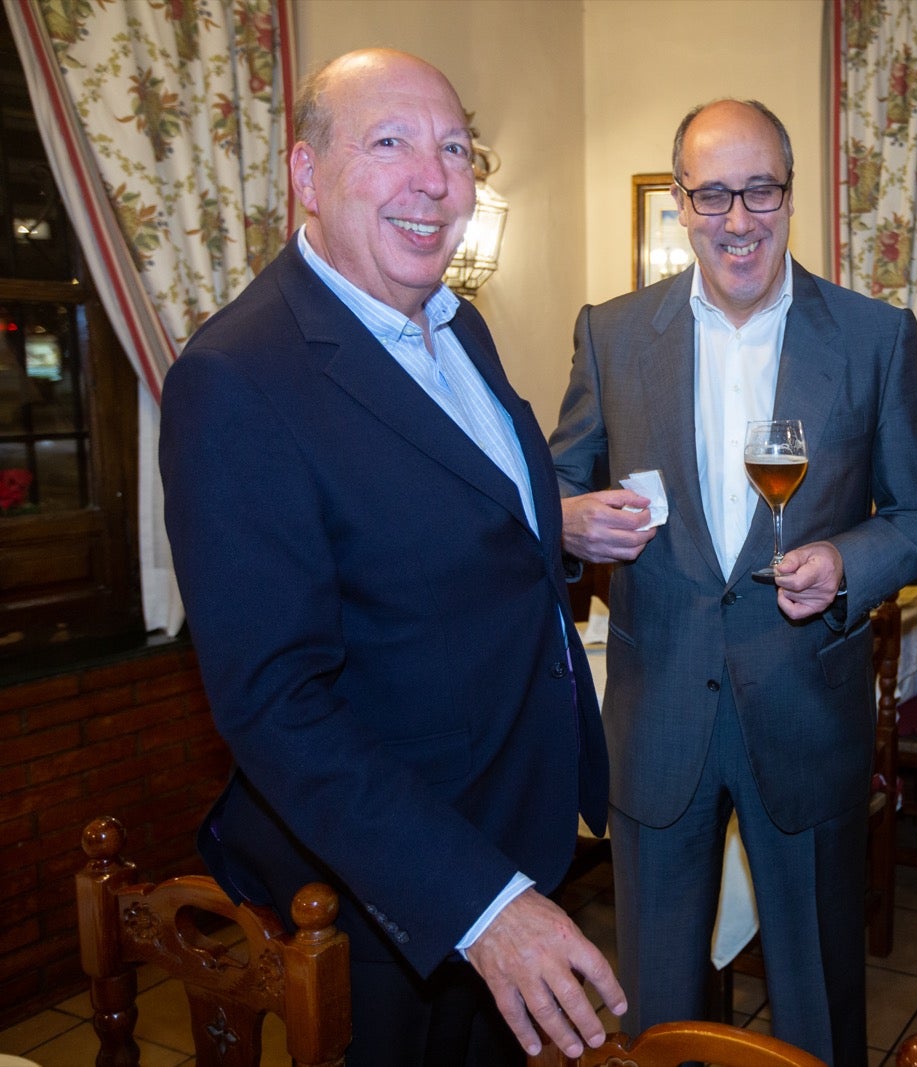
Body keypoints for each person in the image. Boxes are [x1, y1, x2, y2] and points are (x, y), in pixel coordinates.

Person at [159, 48, 625, 1067]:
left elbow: (467, 523)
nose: (434, 177)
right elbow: (275, 699)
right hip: (387, 896)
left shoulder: (462, 327)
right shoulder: (236, 379)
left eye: (455, 147)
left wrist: (566, 527)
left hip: (514, 820)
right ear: (304, 174)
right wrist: (482, 904)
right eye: (389, 143)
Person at [548, 98, 917, 1065]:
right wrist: (568, 519)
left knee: (818, 1004)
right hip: (657, 723)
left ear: (790, 193)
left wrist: (849, 562)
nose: (738, 219)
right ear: (682, 202)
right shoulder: (610, 333)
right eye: (713, 194)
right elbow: (559, 483)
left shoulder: (873, 336)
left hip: (807, 716)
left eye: (760, 190)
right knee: (659, 1012)